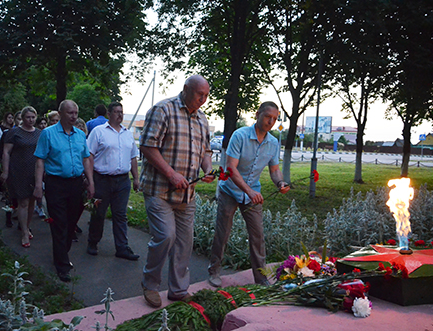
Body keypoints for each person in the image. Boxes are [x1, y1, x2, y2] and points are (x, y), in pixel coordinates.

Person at [139, 75, 214, 308]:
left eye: (206, 96)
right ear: (186, 89)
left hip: (187, 195)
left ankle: (178, 290)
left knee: (184, 242)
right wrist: (171, 174)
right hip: (159, 190)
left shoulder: (202, 119)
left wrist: (208, 168)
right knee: (165, 235)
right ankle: (150, 285)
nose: (203, 99)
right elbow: (147, 146)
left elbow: (206, 151)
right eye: (199, 94)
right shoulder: (163, 110)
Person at [207, 101, 288, 288]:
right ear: (258, 113)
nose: (271, 122)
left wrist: (281, 182)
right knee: (223, 233)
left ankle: (261, 279)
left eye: (275, 119)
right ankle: (214, 271)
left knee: (258, 236)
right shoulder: (240, 135)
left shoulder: (273, 143)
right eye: (268, 116)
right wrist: (249, 191)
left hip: (252, 195)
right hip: (230, 190)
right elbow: (231, 168)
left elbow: (275, 170)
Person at [33, 100, 94, 282]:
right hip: (56, 184)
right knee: (59, 224)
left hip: (76, 184)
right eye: (70, 113)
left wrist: (90, 182)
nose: (74, 116)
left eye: (76, 113)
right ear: (60, 114)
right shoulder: (48, 134)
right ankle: (62, 265)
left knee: (71, 223)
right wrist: (38, 185)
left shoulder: (80, 135)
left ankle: (61, 253)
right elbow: (40, 161)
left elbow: (86, 159)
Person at [86, 102, 140, 260]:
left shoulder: (127, 134)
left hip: (122, 181)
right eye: (116, 112)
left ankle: (122, 248)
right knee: (99, 213)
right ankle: (93, 242)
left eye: (121, 112)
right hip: (102, 179)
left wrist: (136, 178)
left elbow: (133, 157)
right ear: (108, 114)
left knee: (120, 215)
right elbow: (89, 156)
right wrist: (90, 181)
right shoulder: (98, 132)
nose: (119, 115)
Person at [1, 106, 42, 248]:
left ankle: (26, 225)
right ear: (23, 118)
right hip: (18, 170)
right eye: (28, 117)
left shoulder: (39, 133)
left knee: (32, 202)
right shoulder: (14, 133)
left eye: (33, 117)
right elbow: (6, 152)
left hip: (35, 171)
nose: (31, 120)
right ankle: (24, 232)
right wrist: (5, 171)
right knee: (23, 202)